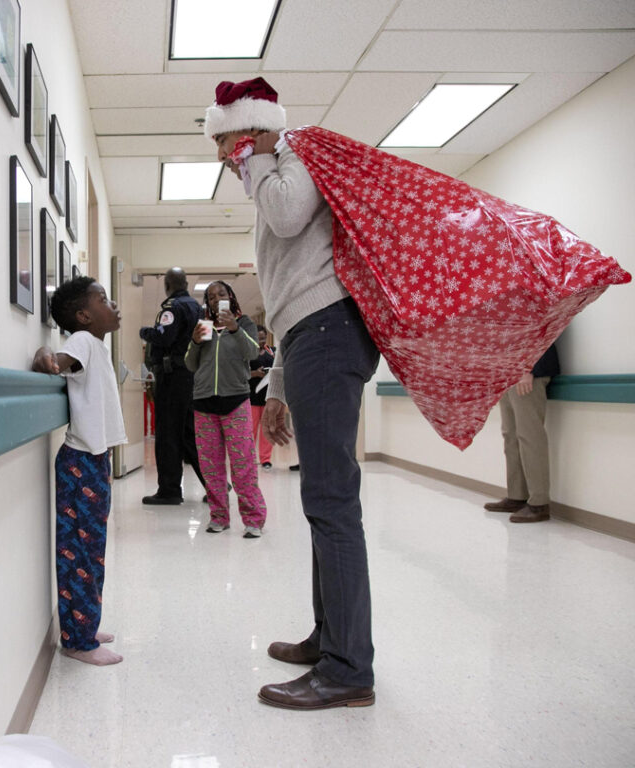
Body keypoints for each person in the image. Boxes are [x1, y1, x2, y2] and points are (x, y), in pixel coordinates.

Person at [206, 76, 379, 709]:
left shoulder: (299, 152)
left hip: (330, 331)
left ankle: (348, 669)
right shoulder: (277, 170)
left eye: (233, 146)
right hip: (311, 335)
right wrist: (277, 381)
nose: (232, 162)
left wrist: (256, 156)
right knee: (321, 502)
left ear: (252, 129)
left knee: (332, 502)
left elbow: (287, 215)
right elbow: (286, 291)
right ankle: (330, 636)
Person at [31, 277, 125, 666]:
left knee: (92, 551)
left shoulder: (96, 346)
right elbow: (59, 361)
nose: (113, 303)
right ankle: (77, 640)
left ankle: (84, 624)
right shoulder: (84, 341)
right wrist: (47, 356)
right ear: (84, 315)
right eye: (103, 299)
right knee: (81, 555)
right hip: (81, 463)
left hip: (93, 460)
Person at [186, 281, 269, 538]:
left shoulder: (244, 325)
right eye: (210, 296)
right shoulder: (204, 326)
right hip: (204, 403)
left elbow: (252, 352)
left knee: (243, 464)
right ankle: (219, 516)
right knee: (211, 466)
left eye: (220, 294)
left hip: (236, 401)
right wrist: (195, 341)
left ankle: (253, 519)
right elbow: (190, 364)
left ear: (230, 296)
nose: (215, 299)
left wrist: (234, 328)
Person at [140, 267, 207, 505]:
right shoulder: (198, 308)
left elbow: (163, 336)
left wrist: (145, 331)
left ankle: (169, 490)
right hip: (191, 376)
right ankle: (216, 484)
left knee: (168, 433)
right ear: (186, 283)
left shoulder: (172, 308)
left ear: (167, 285)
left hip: (172, 377)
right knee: (189, 434)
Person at [484, 342, 560, 523]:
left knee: (530, 436)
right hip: (508, 373)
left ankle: (539, 503)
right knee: (510, 436)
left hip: (527, 372)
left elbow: (540, 329)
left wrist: (528, 368)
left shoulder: (532, 311)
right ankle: (516, 497)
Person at [248, 325, 275, 469]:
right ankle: (249, 458)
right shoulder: (247, 352)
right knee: (250, 430)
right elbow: (240, 372)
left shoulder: (272, 352)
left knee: (267, 430)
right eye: (258, 338)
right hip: (252, 397)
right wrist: (255, 374)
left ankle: (266, 459)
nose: (261, 341)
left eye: (263, 338)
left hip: (268, 397)